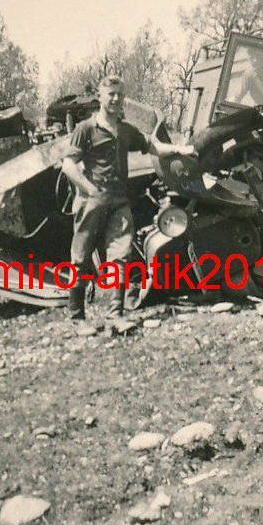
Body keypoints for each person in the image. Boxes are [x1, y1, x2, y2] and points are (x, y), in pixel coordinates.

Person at [61, 75, 194, 332]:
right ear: (100, 97)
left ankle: (115, 316)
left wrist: (181, 150)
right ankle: (77, 319)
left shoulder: (125, 131)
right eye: (110, 94)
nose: (115, 99)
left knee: (121, 256)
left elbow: (153, 147)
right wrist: (88, 188)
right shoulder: (86, 129)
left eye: (119, 95)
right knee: (80, 259)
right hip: (91, 203)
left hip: (119, 201)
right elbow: (68, 165)